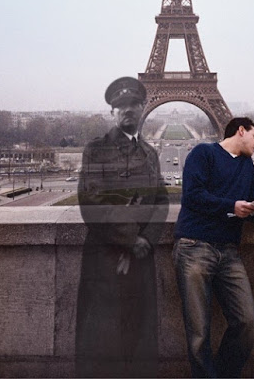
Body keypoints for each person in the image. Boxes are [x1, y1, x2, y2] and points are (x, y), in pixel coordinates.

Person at [173, 117, 254, 379]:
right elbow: (192, 195)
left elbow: (249, 206)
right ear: (241, 131)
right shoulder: (203, 153)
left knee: (247, 323)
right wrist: (231, 206)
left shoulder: (246, 166)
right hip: (194, 246)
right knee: (198, 333)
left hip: (229, 251)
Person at [75, 77, 168, 378]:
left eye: (133, 104)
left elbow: (161, 202)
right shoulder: (95, 150)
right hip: (105, 255)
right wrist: (130, 240)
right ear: (112, 112)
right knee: (104, 336)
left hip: (141, 255)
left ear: (143, 108)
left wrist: (145, 240)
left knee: (138, 332)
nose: (127, 110)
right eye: (121, 106)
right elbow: (91, 202)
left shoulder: (150, 154)